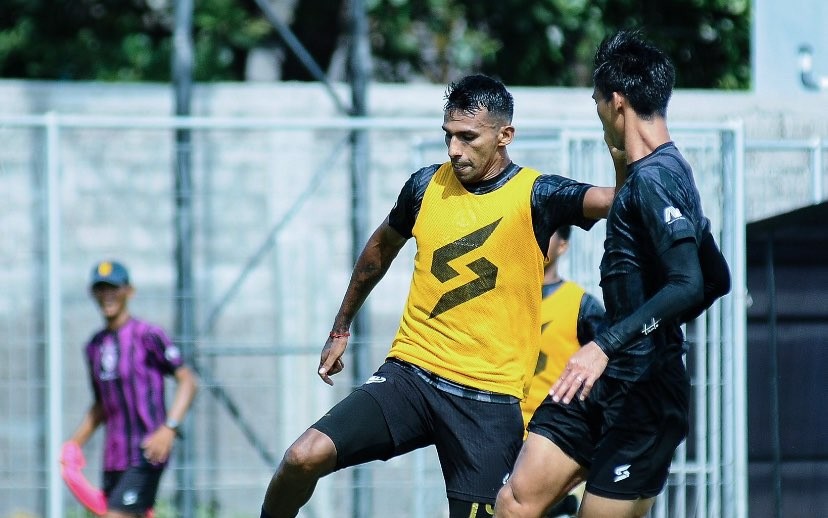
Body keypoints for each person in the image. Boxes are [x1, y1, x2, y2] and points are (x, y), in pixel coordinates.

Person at [260, 74, 623, 518]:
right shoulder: (425, 186)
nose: (455, 150)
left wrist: (628, 154)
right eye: (449, 136)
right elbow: (379, 251)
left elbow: (614, 198)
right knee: (302, 456)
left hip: (487, 404)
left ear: (504, 135)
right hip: (411, 376)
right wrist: (341, 326)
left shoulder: (537, 194)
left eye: (468, 138)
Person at [494, 30, 731, 518]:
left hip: (646, 396)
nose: (598, 112)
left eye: (598, 102)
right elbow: (716, 278)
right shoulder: (661, 171)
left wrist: (606, 343)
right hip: (605, 383)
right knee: (515, 503)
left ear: (616, 102)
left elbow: (689, 283)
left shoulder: (656, 179)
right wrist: (641, 331)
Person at [62, 260, 198, 518]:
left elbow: (188, 381)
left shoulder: (148, 335)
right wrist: (73, 444)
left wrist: (169, 428)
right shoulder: (94, 346)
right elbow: (101, 406)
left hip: (146, 451)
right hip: (113, 456)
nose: (107, 296)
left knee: (116, 515)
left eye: (113, 288)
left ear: (129, 292)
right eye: (101, 289)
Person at [521, 226, 605, 518]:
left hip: (555, 441)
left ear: (563, 247)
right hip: (499, 435)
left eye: (545, 234)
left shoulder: (581, 306)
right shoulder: (500, 300)